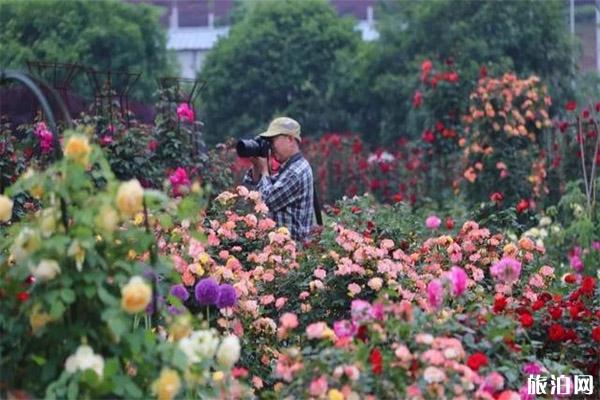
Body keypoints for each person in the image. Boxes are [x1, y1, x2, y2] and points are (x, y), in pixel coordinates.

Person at [243, 117, 315, 241]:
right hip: (280, 250)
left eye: (273, 140)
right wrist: (256, 165)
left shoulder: (295, 172)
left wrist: (265, 169)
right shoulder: (289, 168)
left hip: (291, 253)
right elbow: (251, 195)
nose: (270, 147)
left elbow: (266, 202)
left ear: (290, 139)